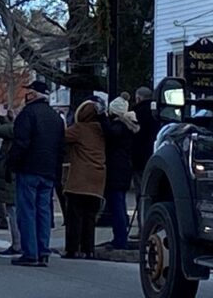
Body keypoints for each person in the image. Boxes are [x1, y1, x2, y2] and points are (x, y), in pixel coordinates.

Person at [7, 80, 64, 267]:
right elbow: (60, 147)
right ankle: (43, 250)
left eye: (29, 91)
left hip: (29, 168)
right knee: (44, 212)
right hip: (48, 170)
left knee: (27, 212)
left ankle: (30, 252)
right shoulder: (56, 118)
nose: (26, 94)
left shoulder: (28, 114)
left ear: (33, 94)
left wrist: (12, 164)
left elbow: (21, 143)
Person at [62, 99, 106, 259]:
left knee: (74, 216)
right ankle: (88, 249)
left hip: (79, 179)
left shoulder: (79, 129)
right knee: (90, 217)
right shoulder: (101, 130)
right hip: (98, 178)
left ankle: (72, 249)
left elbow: (62, 136)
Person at [103, 95, 140, 250]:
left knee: (116, 205)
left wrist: (101, 118)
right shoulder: (129, 127)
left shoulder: (118, 128)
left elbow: (109, 133)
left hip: (115, 171)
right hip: (124, 169)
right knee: (119, 204)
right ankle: (120, 236)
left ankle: (120, 238)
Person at [0, 103, 23, 255]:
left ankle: (18, 244)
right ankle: (24, 243)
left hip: (11, 173)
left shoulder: (20, 129)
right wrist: (6, 117)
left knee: (12, 209)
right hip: (16, 172)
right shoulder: (21, 128)